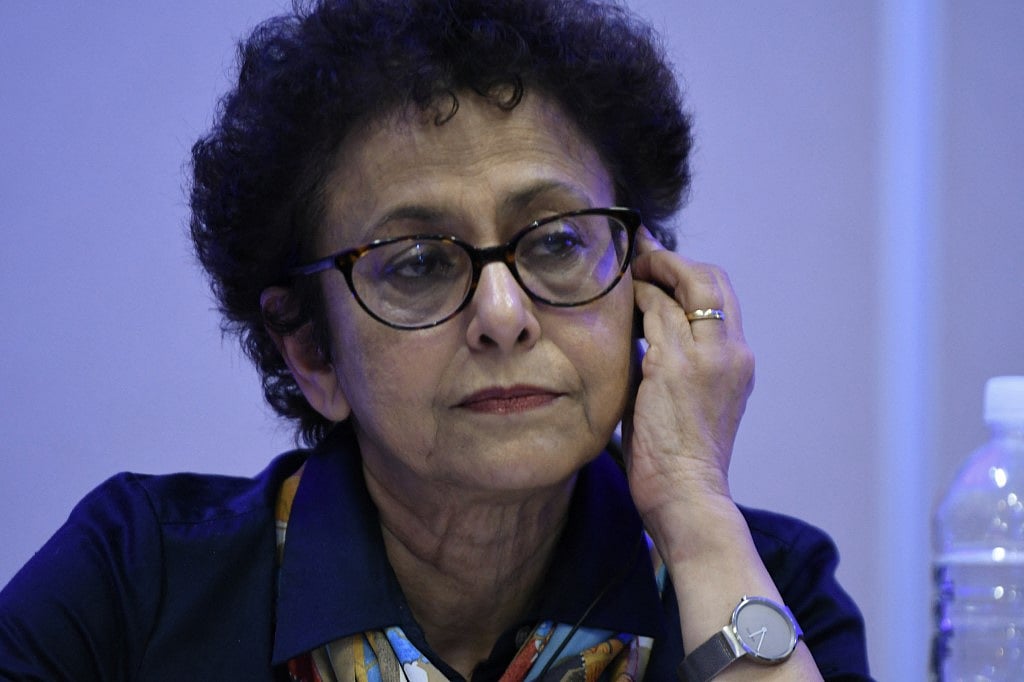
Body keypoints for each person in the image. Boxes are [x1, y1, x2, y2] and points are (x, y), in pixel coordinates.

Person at [0, 0, 870, 680]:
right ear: (310, 348)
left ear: (646, 289)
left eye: (558, 241)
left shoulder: (765, 581)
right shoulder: (136, 584)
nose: (503, 312)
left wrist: (695, 511)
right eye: (418, 263)